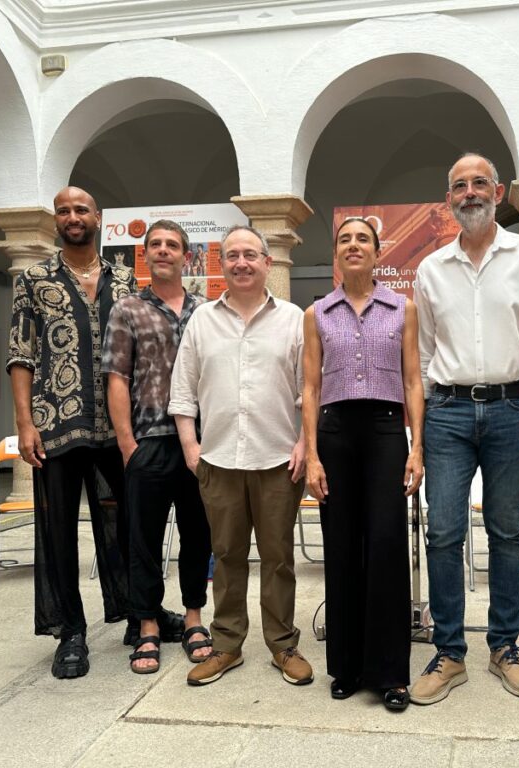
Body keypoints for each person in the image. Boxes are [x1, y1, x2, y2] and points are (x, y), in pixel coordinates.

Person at [410, 153, 519, 705]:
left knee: (506, 531)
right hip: (447, 413)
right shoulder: (430, 270)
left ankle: (504, 647)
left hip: (513, 410)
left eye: (479, 183)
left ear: (497, 192)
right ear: (448, 199)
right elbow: (424, 357)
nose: (470, 192)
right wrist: (419, 435)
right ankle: (450, 652)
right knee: (444, 531)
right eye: (459, 186)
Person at [8, 186, 171, 679]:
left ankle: (139, 613)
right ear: (55, 220)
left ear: (97, 217)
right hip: (57, 425)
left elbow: (141, 354)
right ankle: (71, 632)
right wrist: (24, 423)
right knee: (59, 531)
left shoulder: (125, 280)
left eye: (81, 209)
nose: (73, 217)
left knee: (131, 525)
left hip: (122, 428)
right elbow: (20, 353)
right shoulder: (34, 280)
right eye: (64, 210)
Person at [169, 224, 312, 688]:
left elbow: (310, 391)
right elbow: (182, 390)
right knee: (226, 556)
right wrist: (191, 447)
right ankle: (226, 645)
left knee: (278, 557)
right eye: (232, 255)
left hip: (277, 459)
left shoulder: (294, 318)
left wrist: (305, 443)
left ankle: (283, 645)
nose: (242, 263)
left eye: (251, 254)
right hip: (220, 459)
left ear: (268, 263)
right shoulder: (201, 321)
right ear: (221, 264)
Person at [301, 217, 424, 711]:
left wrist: (418, 447)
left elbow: (414, 381)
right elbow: (309, 388)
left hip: (385, 431)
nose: (354, 246)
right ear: (336, 253)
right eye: (345, 240)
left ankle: (391, 672)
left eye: (363, 240)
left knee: (388, 544)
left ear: (378, 252)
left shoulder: (402, 308)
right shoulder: (317, 313)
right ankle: (347, 665)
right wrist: (311, 454)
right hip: (334, 434)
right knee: (343, 545)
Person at [103, 219, 213, 674]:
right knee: (143, 541)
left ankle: (192, 618)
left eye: (173, 245)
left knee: (198, 535)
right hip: (147, 442)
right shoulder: (127, 309)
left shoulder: (207, 311)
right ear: (145, 256)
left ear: (187, 257)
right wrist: (127, 445)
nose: (164, 250)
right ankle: (147, 625)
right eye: (156, 245)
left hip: (201, 444)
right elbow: (116, 377)